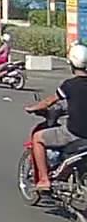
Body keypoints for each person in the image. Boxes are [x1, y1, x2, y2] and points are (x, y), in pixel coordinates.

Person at [25, 43, 87, 191]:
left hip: (74, 133)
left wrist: (33, 108)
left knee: (38, 138)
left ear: (71, 63)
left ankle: (44, 180)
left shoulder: (69, 85)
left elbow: (49, 102)